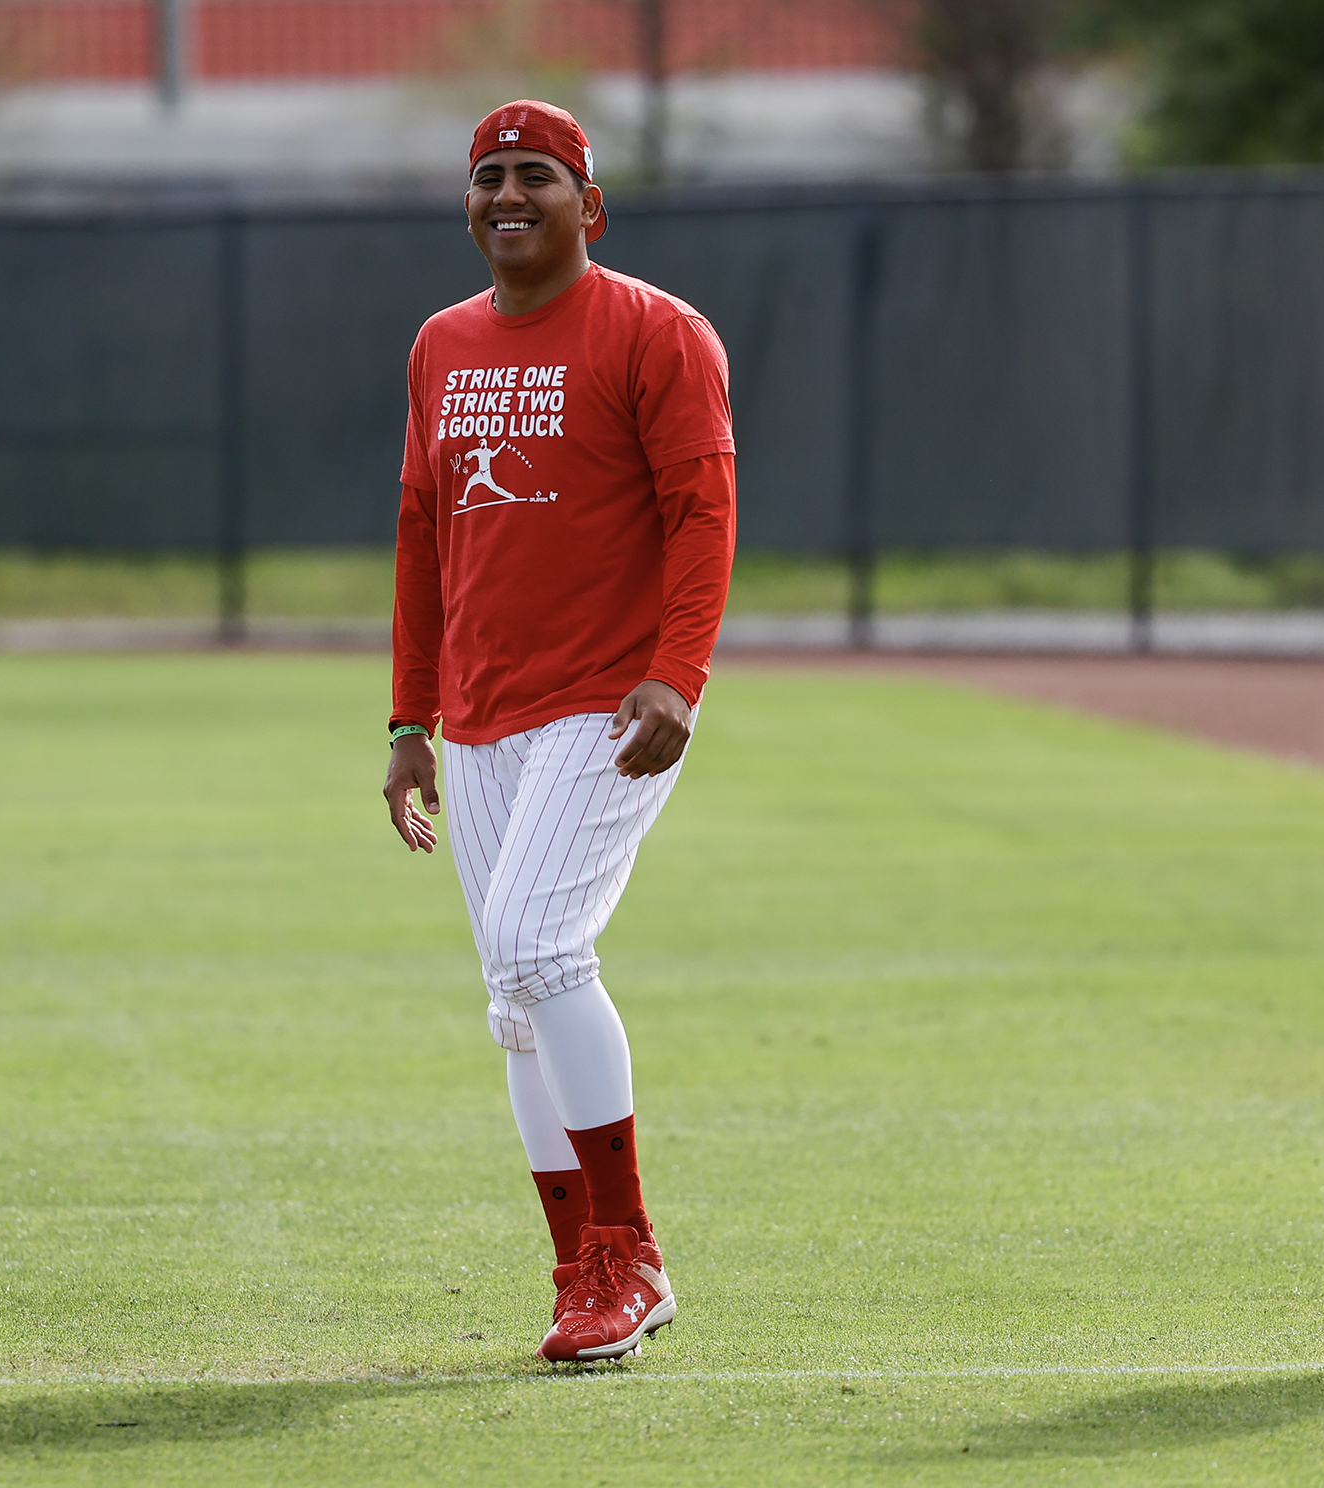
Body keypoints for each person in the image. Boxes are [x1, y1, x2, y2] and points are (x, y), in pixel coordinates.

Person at [383, 101, 735, 1362]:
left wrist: (677, 678)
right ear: (467, 205)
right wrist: (407, 716)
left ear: (593, 206)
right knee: (514, 1002)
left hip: (609, 698)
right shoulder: (441, 343)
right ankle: (575, 1268)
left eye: (538, 176)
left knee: (538, 940)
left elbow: (703, 513)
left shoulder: (657, 330)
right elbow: (425, 531)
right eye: (488, 178)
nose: (508, 194)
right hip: (477, 712)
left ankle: (629, 1255)